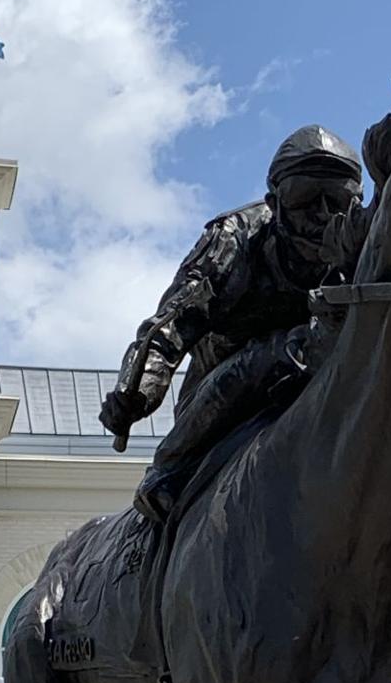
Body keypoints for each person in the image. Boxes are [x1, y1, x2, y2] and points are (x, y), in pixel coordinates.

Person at [100, 125, 365, 522]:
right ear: (275, 203)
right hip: (223, 389)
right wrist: (137, 390)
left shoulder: (363, 246)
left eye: (339, 200)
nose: (324, 215)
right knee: (276, 350)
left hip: (327, 373)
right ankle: (168, 469)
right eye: (305, 198)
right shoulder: (234, 239)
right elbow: (170, 327)